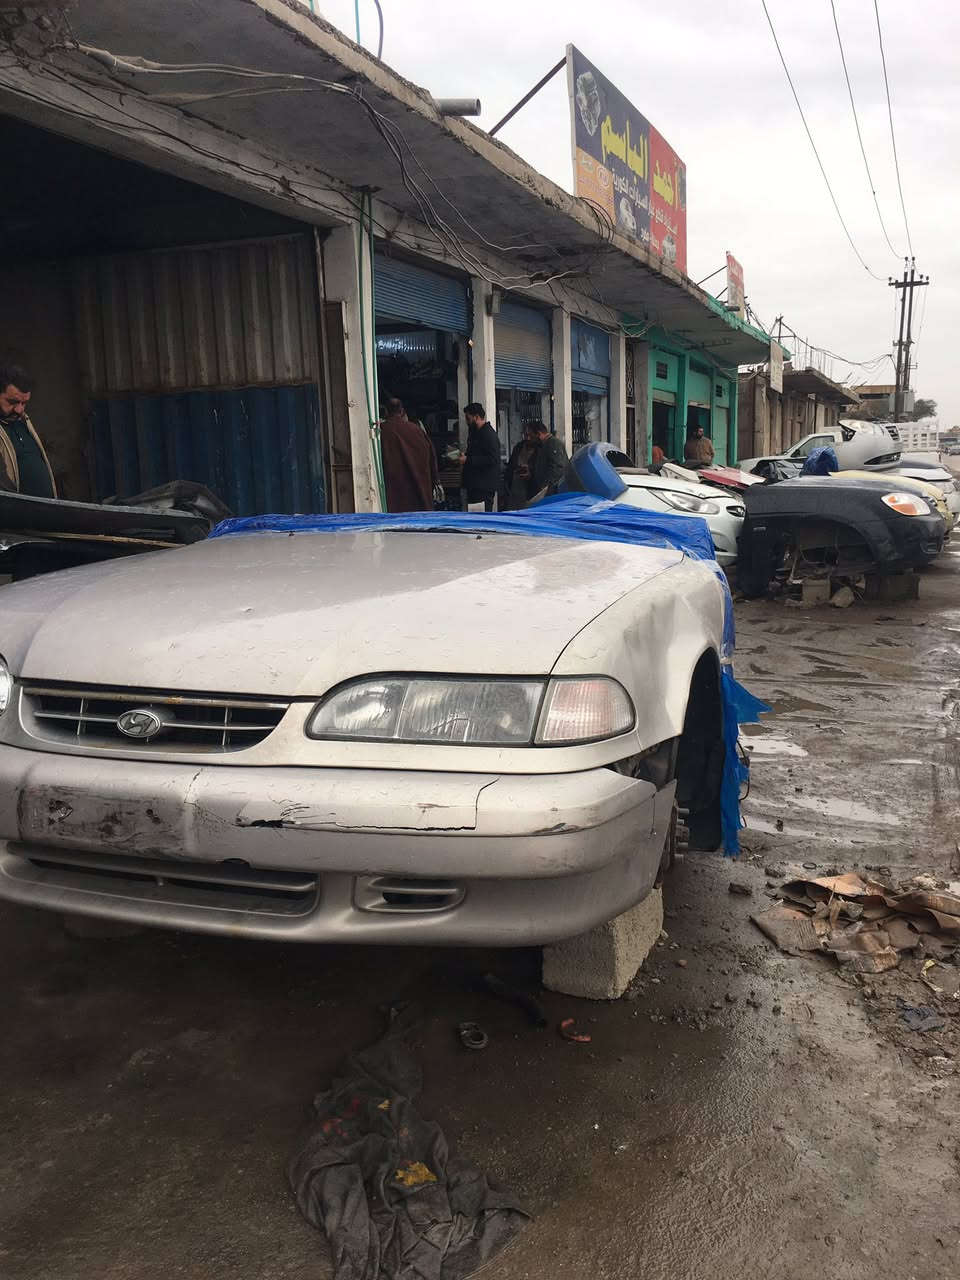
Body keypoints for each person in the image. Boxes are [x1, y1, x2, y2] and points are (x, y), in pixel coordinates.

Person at [0, 364, 57, 498]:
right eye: (12, 402)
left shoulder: (24, 421)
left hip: (45, 509)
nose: (19, 410)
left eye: (24, 403)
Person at [379, 398, 437, 513]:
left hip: (394, 495)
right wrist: (435, 480)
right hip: (419, 492)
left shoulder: (382, 430)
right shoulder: (417, 430)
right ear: (402, 411)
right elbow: (432, 457)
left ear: (386, 412)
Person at [460, 402, 501, 511]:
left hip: (483, 487)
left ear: (477, 417)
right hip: (474, 485)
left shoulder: (488, 434)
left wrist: (468, 459)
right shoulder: (475, 433)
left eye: (468, 419)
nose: (467, 422)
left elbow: (492, 459)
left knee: (481, 517)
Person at [527, 421, 569, 499]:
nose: (529, 439)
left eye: (531, 436)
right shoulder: (542, 446)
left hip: (552, 492)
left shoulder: (553, 444)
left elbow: (557, 468)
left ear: (539, 434)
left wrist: (546, 487)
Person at [502, 421, 539, 510]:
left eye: (531, 435)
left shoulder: (540, 450)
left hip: (530, 490)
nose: (528, 438)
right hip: (515, 488)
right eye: (526, 435)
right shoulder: (519, 447)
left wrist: (531, 473)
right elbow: (511, 465)